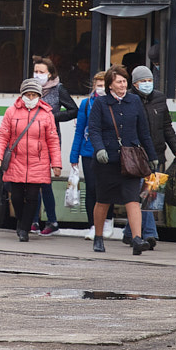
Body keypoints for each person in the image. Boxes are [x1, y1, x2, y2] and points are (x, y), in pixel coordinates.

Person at [86, 64, 156, 255]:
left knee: (133, 200)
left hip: (131, 160)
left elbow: (144, 131)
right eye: (119, 82)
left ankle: (136, 239)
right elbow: (94, 129)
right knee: (103, 201)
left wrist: (152, 157)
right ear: (110, 85)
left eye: (125, 81)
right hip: (106, 162)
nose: (123, 85)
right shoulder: (101, 103)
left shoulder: (134, 101)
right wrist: (99, 149)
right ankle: (98, 238)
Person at [0, 78, 62, 242]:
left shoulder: (46, 114)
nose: (30, 98)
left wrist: (56, 164)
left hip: (38, 162)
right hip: (16, 160)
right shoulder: (11, 112)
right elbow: (3, 136)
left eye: (34, 95)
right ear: (22, 95)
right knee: (16, 197)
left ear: (39, 96)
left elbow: (53, 140)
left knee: (32, 196)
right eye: (27, 94)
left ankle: (24, 229)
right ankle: (22, 221)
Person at [123, 65, 176, 250]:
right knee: (147, 194)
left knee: (151, 193)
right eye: (143, 81)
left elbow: (167, 126)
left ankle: (129, 233)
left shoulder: (159, 98)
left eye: (149, 81)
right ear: (134, 84)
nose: (147, 84)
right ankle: (149, 234)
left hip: (157, 155)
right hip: (137, 155)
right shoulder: (129, 100)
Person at [32, 55, 77, 235]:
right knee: (32, 182)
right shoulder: (30, 89)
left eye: (41, 72)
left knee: (44, 182)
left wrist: (52, 116)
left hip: (49, 141)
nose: (37, 75)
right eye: (35, 71)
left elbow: (74, 110)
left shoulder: (58, 90)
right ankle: (33, 221)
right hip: (30, 142)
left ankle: (52, 221)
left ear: (50, 74)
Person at [69, 70, 109, 239]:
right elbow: (79, 131)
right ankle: (92, 225)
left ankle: (108, 222)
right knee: (91, 188)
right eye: (98, 85)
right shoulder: (86, 104)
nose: (101, 89)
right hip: (88, 153)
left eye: (104, 86)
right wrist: (73, 156)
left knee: (106, 188)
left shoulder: (113, 103)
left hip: (108, 153)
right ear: (93, 86)